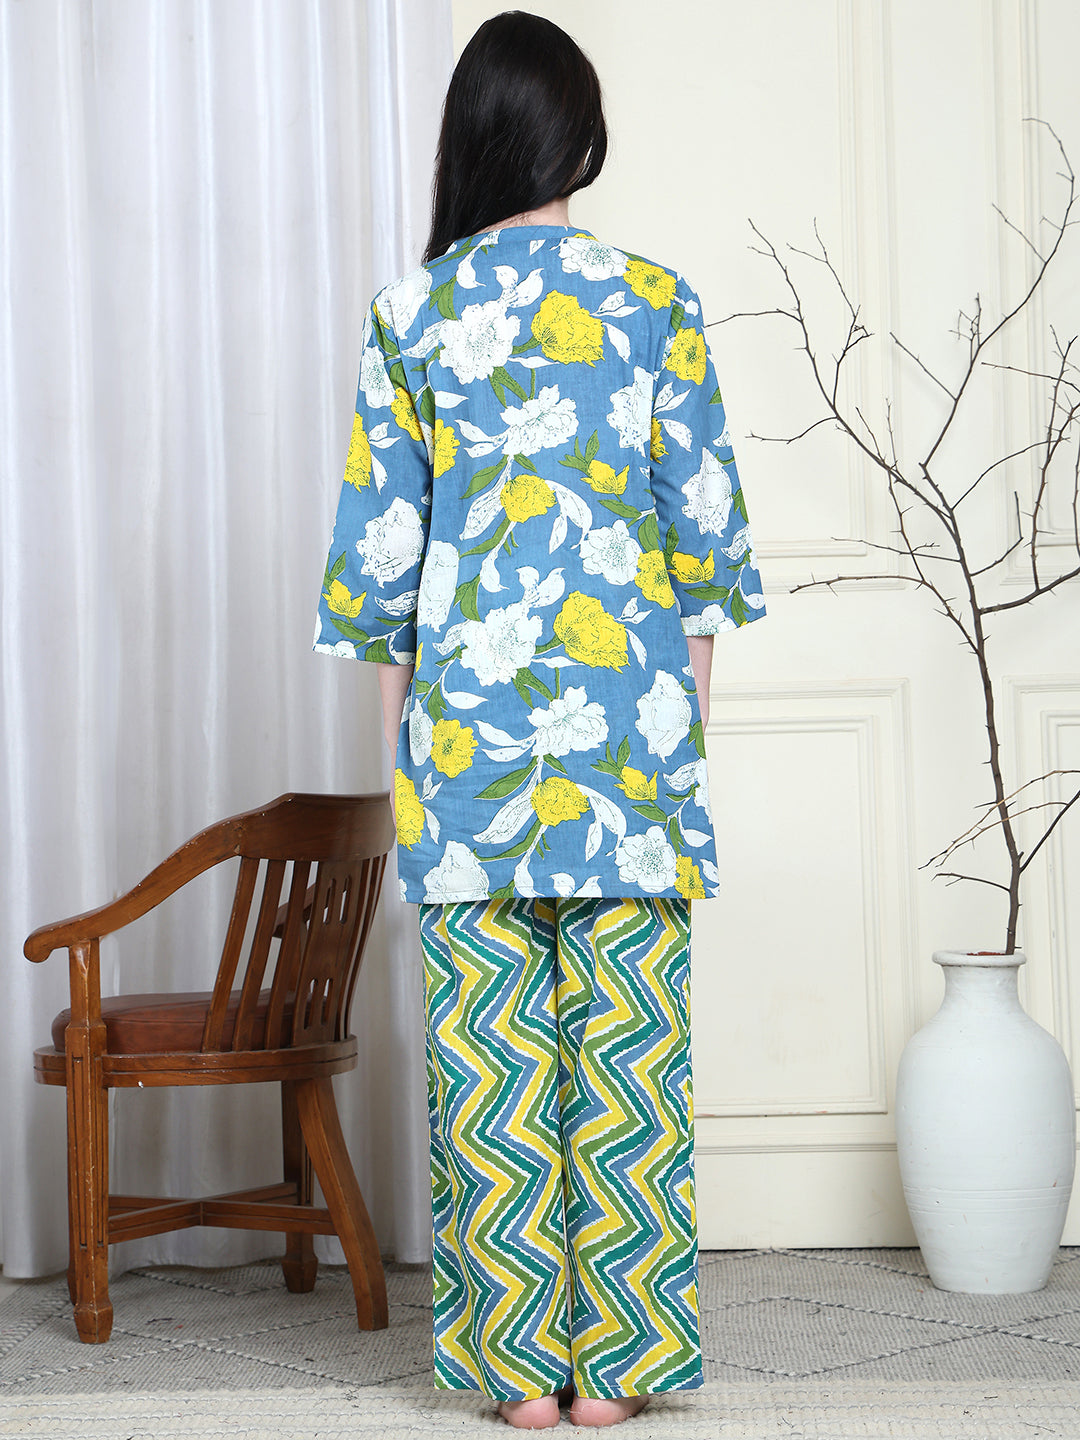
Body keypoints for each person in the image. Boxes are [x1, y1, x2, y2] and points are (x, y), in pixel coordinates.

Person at [313, 11, 766, 1428]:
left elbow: (382, 583)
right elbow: (704, 560)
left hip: (468, 757)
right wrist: (683, 742)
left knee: (493, 1083)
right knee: (629, 1075)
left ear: (470, 140)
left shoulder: (412, 317)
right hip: (633, 750)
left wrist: (409, 770)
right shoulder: (659, 304)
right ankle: (616, 1374)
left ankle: (518, 1379)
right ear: (581, 140)